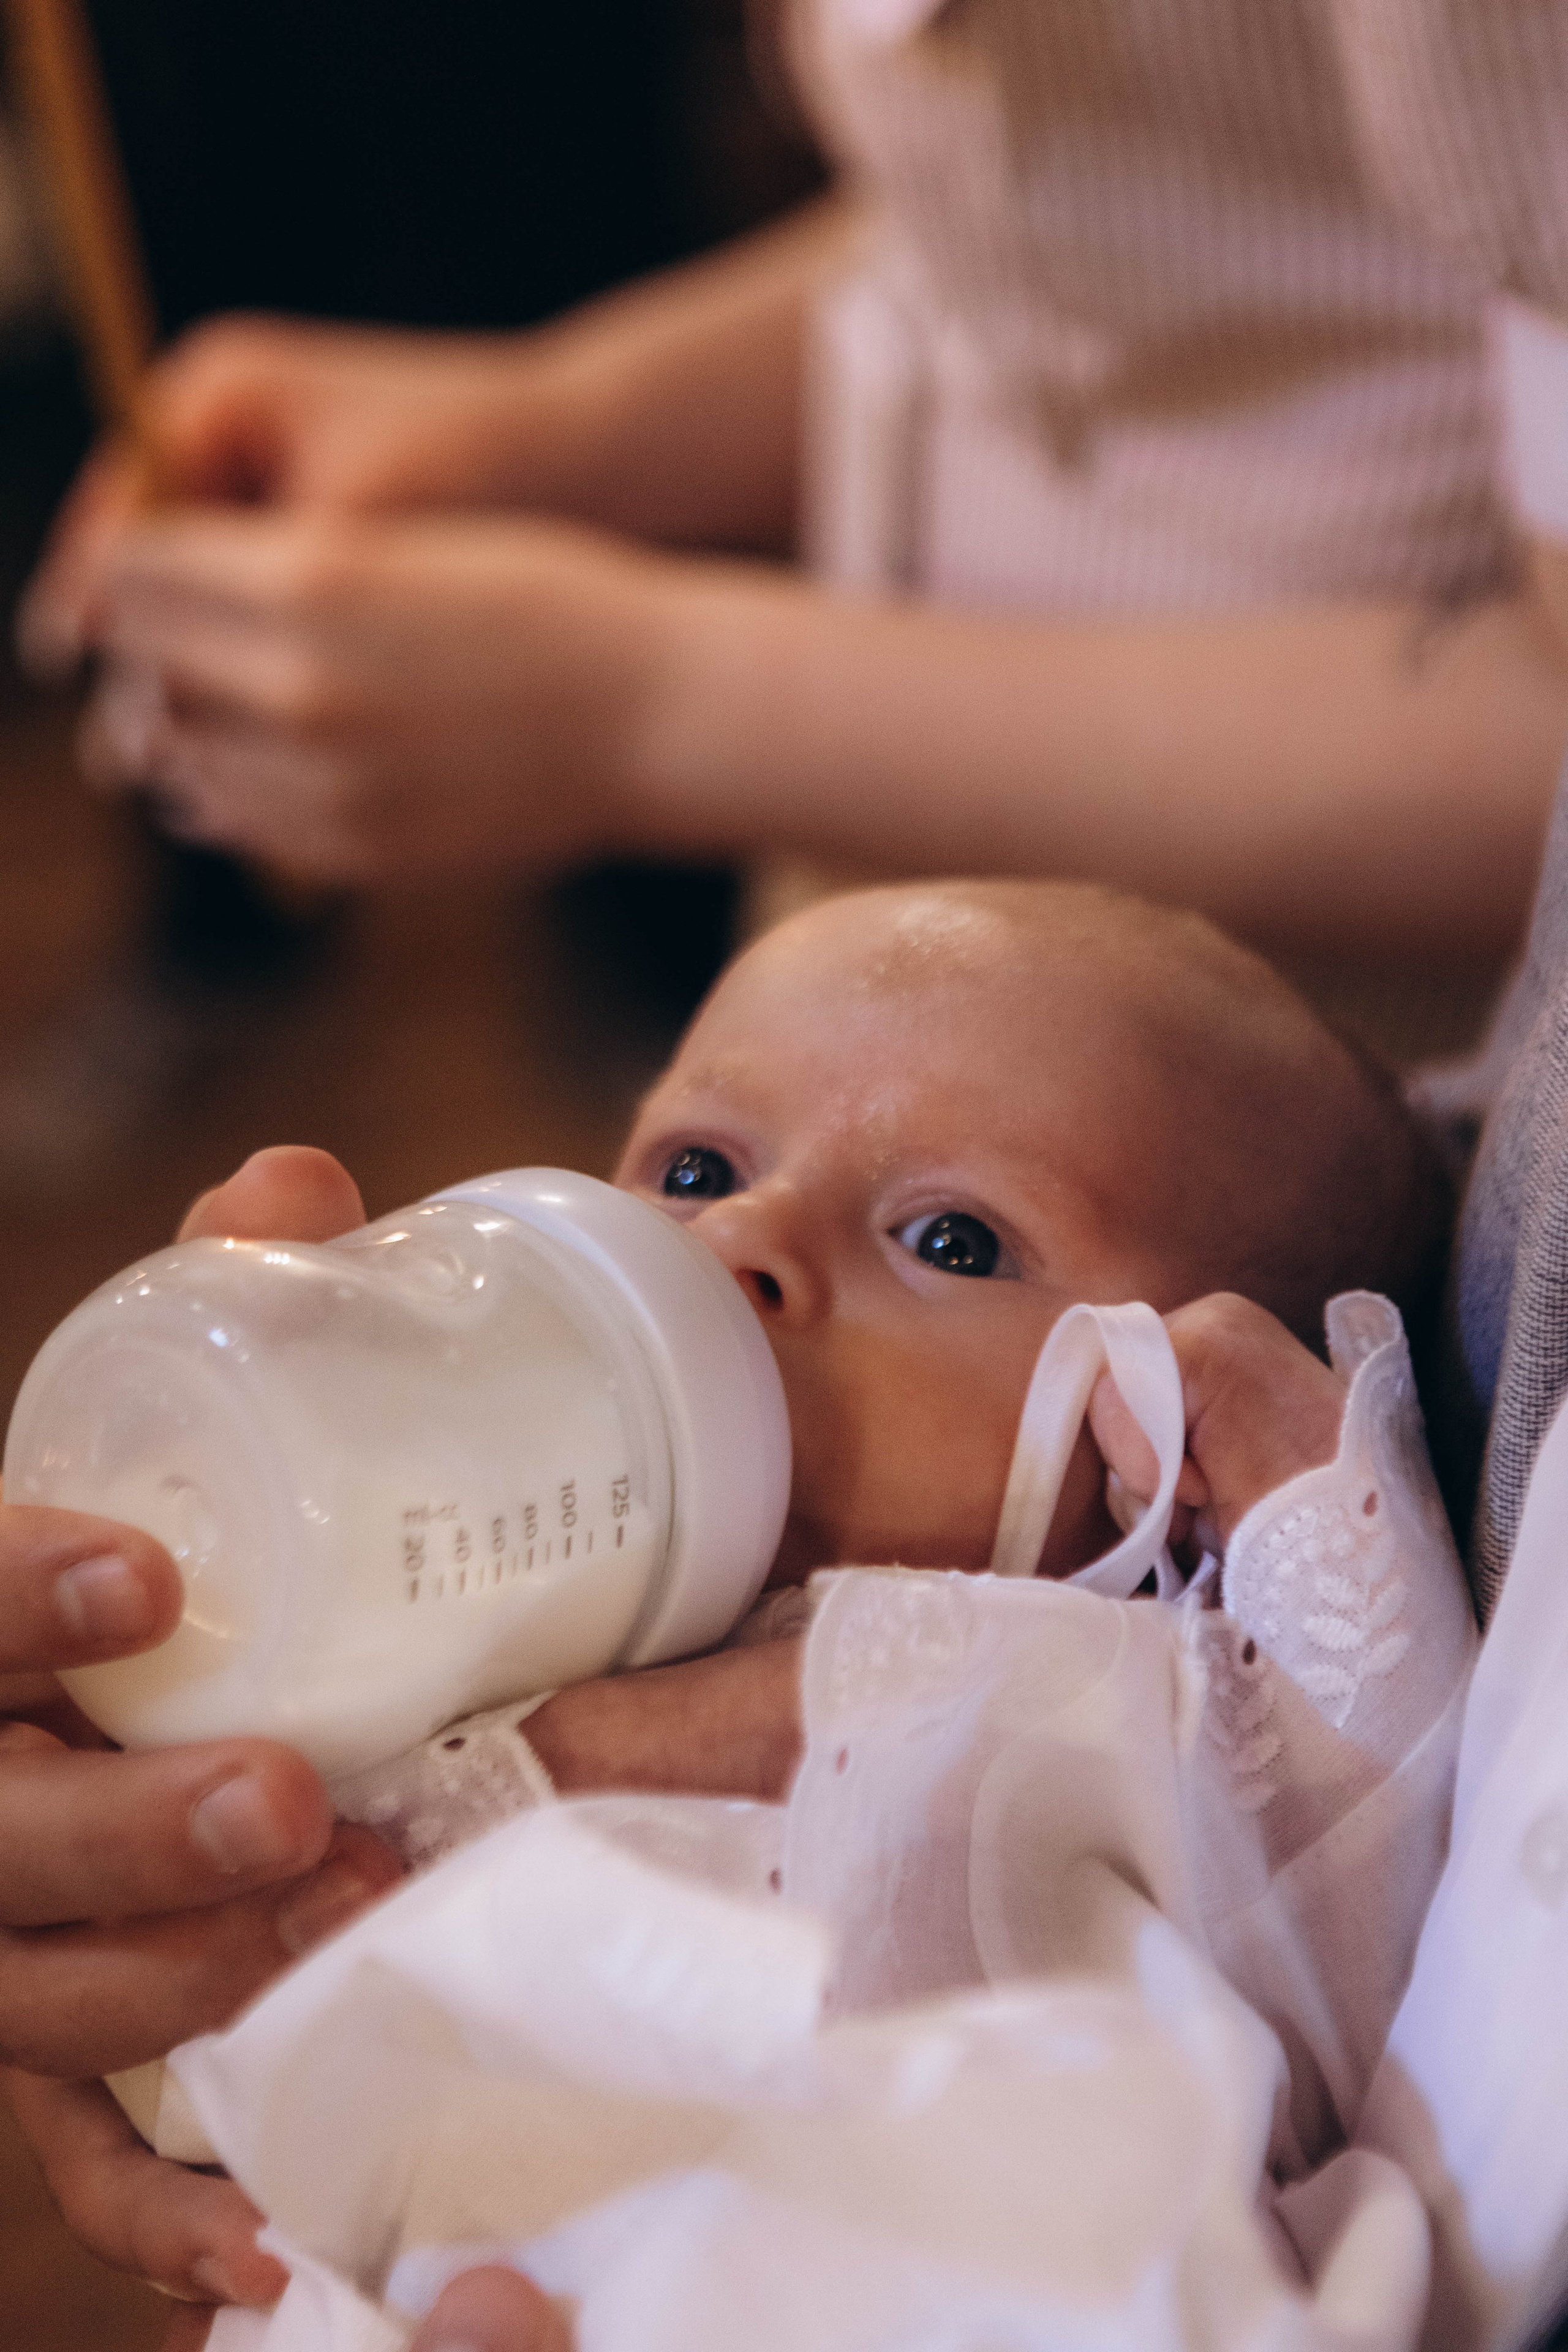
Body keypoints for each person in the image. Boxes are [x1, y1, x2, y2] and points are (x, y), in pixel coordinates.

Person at [3, 877, 1466, 2331]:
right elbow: (205, 2027)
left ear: (1157, 1444)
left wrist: (1308, 1516)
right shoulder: (478, 1622)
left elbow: (1384, 1909)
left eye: (951, 1241)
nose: (736, 1239)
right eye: (696, 1168)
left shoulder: (1121, 1689)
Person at [12, 7, 1568, 968]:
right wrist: (542, 425)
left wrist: (639, 706)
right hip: (920, 956)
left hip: (1335, 1112)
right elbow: (1041, 242)